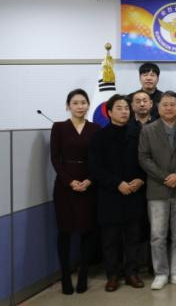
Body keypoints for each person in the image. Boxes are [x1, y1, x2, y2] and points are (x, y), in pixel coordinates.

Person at [88, 94, 146, 292]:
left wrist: (141, 179)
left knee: (133, 237)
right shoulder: (99, 137)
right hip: (110, 194)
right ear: (110, 112)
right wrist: (117, 184)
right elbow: (95, 167)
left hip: (134, 192)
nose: (124, 111)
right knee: (110, 239)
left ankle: (131, 273)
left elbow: (146, 159)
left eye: (126, 108)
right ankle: (112, 275)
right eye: (119, 108)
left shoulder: (138, 134)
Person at [138, 91, 176, 290]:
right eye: (165, 104)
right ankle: (160, 273)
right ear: (157, 108)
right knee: (157, 235)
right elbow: (144, 157)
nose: (169, 108)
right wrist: (164, 177)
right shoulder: (148, 130)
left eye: (172, 104)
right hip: (157, 189)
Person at [50, 89, 100, 294]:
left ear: (88, 105)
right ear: (68, 106)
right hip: (65, 186)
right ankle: (65, 276)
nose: (80, 106)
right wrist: (70, 181)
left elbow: (98, 159)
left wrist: (89, 180)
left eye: (83, 102)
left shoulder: (95, 128)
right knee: (65, 231)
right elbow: (55, 158)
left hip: (89, 185)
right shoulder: (59, 127)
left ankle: (83, 274)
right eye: (75, 103)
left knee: (87, 231)